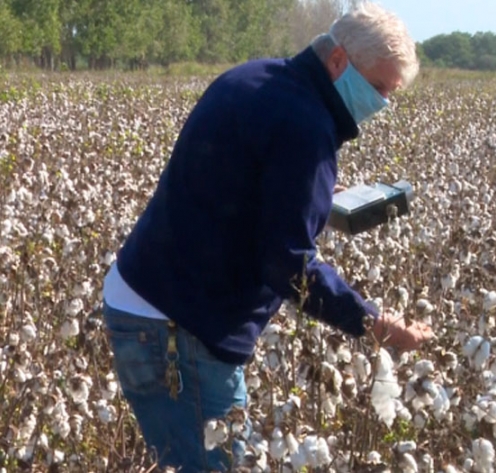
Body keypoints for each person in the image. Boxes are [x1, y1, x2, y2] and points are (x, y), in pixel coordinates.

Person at [100, 2, 434, 471]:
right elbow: (286, 265)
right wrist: (372, 322)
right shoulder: (306, 126)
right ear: (338, 60)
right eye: (378, 87)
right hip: (174, 330)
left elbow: (231, 176)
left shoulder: (256, 77)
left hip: (145, 304)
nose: (382, 103)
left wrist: (306, 194)